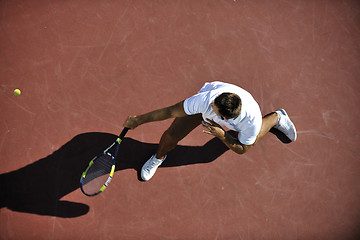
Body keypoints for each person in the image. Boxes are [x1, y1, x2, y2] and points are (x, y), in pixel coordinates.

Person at [123, 81, 297, 181]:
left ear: (225, 119)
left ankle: (276, 118)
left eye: (214, 107)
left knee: (210, 154)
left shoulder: (250, 122)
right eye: (214, 102)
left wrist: (222, 135)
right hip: (213, 112)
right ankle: (158, 157)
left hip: (240, 125)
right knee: (172, 135)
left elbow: (242, 149)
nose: (211, 104)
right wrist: (139, 120)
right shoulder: (207, 100)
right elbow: (170, 111)